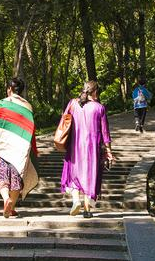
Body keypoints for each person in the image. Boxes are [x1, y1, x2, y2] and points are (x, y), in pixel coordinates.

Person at [60, 81, 114, 218]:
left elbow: (64, 122)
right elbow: (105, 133)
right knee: (90, 176)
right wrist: (109, 151)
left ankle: (75, 200)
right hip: (92, 148)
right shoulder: (99, 108)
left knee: (73, 174)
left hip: (74, 147)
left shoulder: (72, 104)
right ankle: (87, 210)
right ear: (95, 92)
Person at [0, 78, 39, 218]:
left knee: (2, 174)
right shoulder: (27, 106)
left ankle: (6, 200)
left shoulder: (1, 104)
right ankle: (12, 207)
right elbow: (30, 129)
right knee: (17, 176)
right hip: (20, 148)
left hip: (3, 147)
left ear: (9, 89)